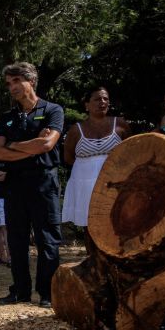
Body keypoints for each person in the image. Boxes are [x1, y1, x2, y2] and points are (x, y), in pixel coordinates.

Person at [0, 62, 64, 308]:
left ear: (30, 81)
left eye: (16, 81)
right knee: (17, 239)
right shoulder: (8, 117)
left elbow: (46, 146)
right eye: (9, 83)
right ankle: (20, 290)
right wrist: (30, 146)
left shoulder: (53, 110)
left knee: (47, 238)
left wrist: (14, 146)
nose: (12, 87)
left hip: (44, 181)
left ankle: (47, 292)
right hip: (15, 184)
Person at [62, 87, 128, 228]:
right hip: (84, 186)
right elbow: (68, 157)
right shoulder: (76, 130)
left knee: (116, 224)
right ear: (87, 105)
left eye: (105, 99)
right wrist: (89, 168)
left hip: (115, 184)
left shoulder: (120, 124)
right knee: (89, 226)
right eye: (97, 99)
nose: (102, 102)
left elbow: (131, 150)